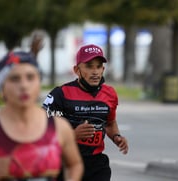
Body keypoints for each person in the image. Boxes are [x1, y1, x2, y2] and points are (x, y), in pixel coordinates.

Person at [0, 51, 83, 181]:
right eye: (14, 79)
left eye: (30, 77)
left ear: (39, 84)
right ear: (2, 88)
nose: (24, 86)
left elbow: (74, 165)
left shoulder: (59, 127)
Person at [43, 44, 129, 181]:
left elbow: (110, 123)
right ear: (77, 70)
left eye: (99, 66)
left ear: (103, 69)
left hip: (96, 164)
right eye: (89, 66)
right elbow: (43, 132)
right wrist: (73, 134)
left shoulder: (110, 94)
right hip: (66, 162)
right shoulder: (60, 94)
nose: (95, 72)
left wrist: (117, 137)